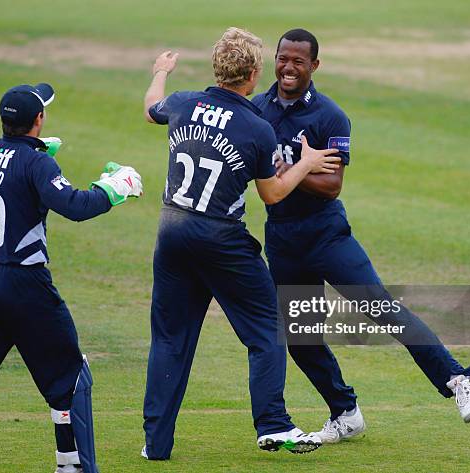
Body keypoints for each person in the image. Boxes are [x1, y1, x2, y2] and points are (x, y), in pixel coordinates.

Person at [252, 28, 470, 443]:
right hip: (283, 240)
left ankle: (459, 380)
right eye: (282, 59)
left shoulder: (329, 116)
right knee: (301, 339)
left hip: (327, 236)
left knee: (381, 309)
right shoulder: (257, 111)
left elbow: (332, 185)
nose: (288, 68)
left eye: (298, 61)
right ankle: (344, 412)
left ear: (314, 66)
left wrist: (289, 171)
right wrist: (306, 165)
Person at [0, 83, 143, 473]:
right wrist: (114, 188)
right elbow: (75, 206)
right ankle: (73, 467)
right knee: (70, 378)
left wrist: (21, 158)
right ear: (39, 119)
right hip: (26, 286)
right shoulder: (38, 165)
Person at [141, 27, 341, 460]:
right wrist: (306, 163)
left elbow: (151, 108)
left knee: (170, 340)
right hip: (221, 240)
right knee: (268, 330)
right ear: (252, 74)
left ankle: (155, 444)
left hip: (171, 233)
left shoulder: (182, 102)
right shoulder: (256, 125)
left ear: (217, 67)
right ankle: (273, 425)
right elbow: (271, 193)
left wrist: (160, 71)